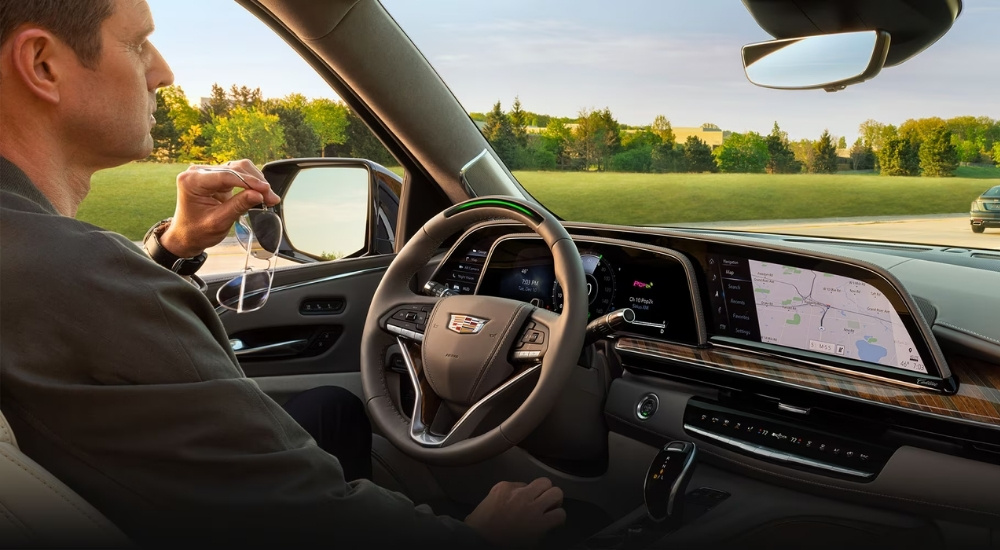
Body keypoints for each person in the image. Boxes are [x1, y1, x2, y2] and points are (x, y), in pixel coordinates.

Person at [0, 0, 566, 547]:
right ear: (42, 65)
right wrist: (475, 537)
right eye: (138, 44)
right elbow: (308, 513)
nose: (164, 73)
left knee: (329, 406)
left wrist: (176, 246)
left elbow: (82, 322)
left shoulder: (46, 263)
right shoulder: (81, 275)